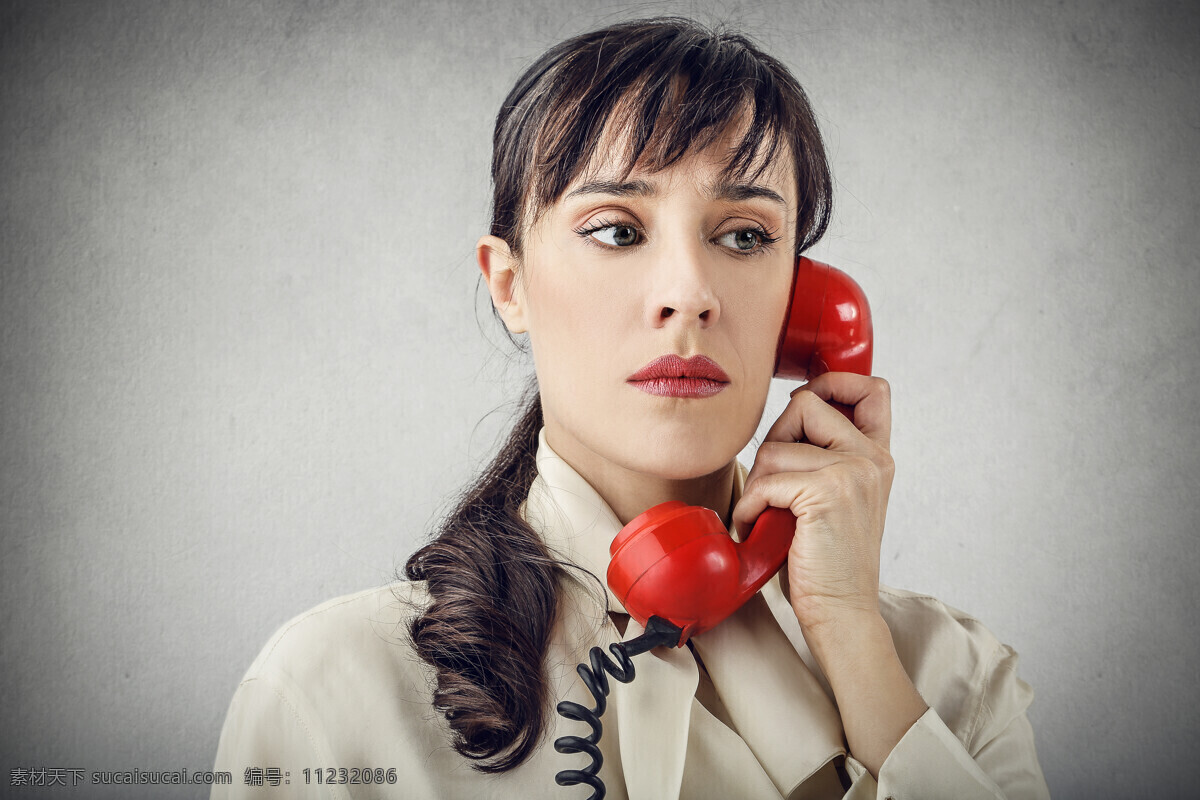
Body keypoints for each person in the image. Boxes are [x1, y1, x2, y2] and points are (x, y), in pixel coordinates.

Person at [212, 17, 1049, 799]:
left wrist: (852, 642)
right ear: (510, 285)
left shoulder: (946, 677)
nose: (688, 296)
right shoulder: (330, 690)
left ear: (806, 305)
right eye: (616, 229)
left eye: (746, 236)